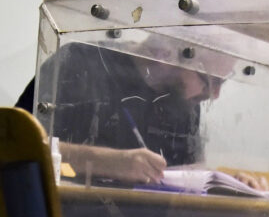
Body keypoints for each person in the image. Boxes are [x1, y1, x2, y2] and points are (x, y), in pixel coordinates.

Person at [15, 39, 230, 186]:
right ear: (167, 53)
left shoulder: (183, 101)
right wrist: (108, 162)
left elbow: (189, 177)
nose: (214, 95)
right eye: (209, 80)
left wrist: (228, 186)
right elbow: (14, 147)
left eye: (223, 82)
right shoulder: (81, 62)